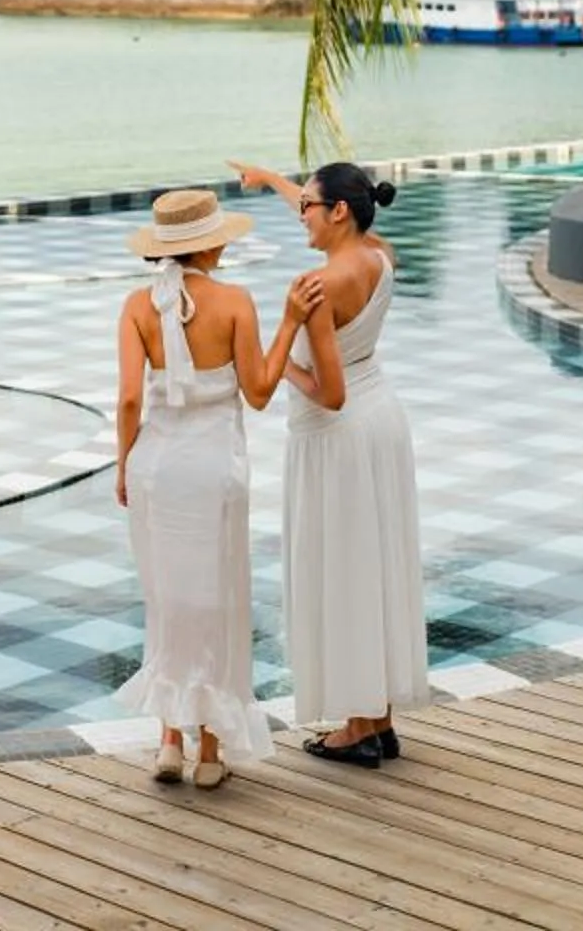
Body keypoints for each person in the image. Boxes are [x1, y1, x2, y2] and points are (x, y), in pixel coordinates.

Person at [230, 158, 430, 766]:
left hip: (337, 435)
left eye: (307, 208)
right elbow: (327, 201)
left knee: (343, 572)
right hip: (382, 420)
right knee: (373, 568)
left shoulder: (320, 286)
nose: (301, 218)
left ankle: (357, 729)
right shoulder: (377, 251)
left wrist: (278, 352)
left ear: (338, 211)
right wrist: (271, 179)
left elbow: (329, 391)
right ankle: (378, 717)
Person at [113, 187, 308, 786]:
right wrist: (292, 323)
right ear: (212, 243)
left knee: (168, 600)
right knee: (218, 601)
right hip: (214, 469)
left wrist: (124, 465)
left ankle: (169, 740)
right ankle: (211, 754)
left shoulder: (137, 307)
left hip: (156, 468)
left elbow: (127, 399)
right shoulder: (235, 303)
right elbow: (258, 390)